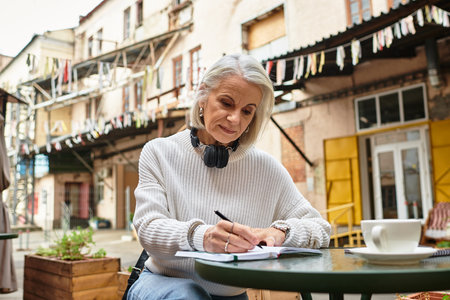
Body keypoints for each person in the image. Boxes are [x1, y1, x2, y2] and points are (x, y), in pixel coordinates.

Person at [129, 54, 331, 300]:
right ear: (203, 96)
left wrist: (280, 233)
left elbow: (321, 229)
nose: (236, 119)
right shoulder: (159, 152)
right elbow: (148, 229)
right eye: (226, 103)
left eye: (247, 111)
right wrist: (202, 236)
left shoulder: (266, 169)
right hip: (163, 284)